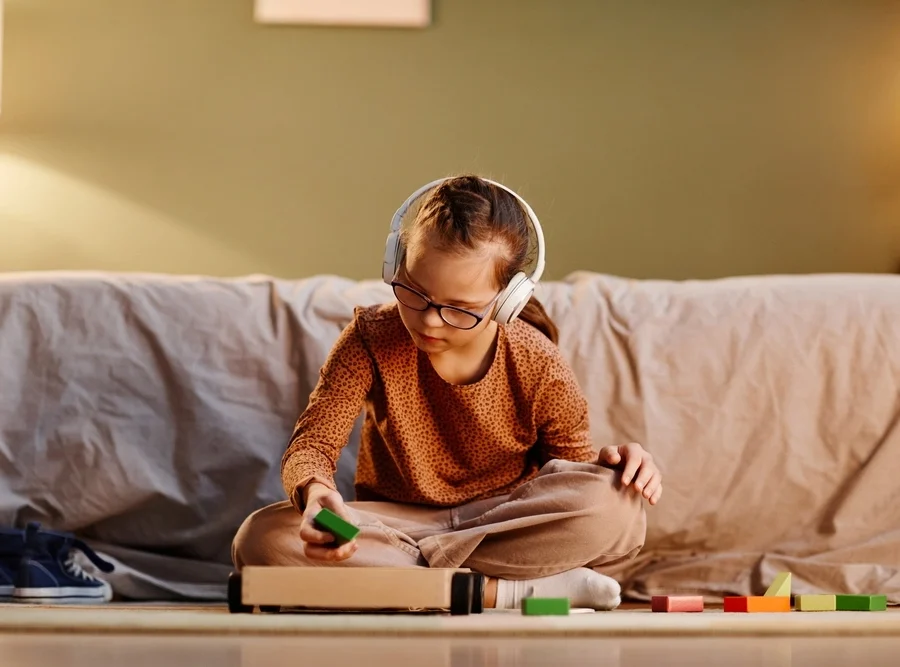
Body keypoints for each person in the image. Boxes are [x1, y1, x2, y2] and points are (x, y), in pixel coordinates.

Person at [232, 174, 662, 611]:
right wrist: (315, 493)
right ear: (396, 265)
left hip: (502, 523)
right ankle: (507, 592)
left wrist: (612, 469)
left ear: (506, 301)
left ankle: (406, 583)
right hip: (395, 529)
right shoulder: (369, 337)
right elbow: (313, 444)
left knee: (617, 506)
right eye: (414, 292)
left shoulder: (538, 362)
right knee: (261, 538)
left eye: (460, 309)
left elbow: (568, 475)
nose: (429, 321)